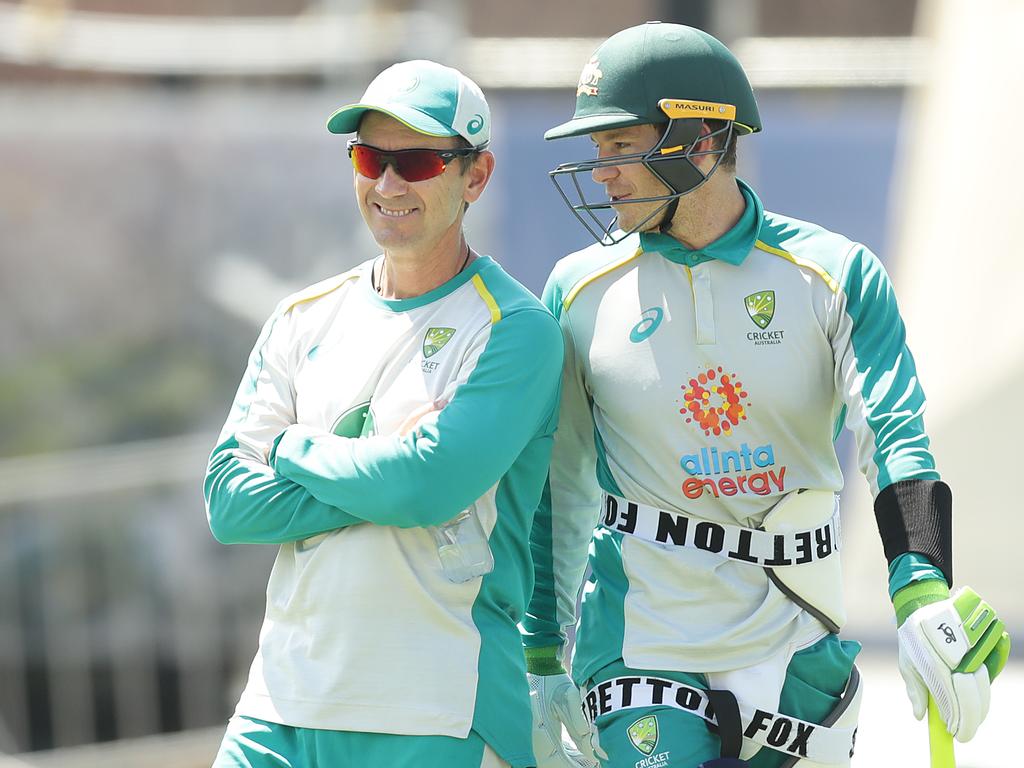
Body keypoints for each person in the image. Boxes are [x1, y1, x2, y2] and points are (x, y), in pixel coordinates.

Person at [522, 22, 1010, 768]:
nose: (603, 173)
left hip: (800, 646)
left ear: (702, 144)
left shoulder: (838, 274)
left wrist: (920, 586)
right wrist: (543, 650)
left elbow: (896, 437)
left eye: (622, 146)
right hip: (640, 643)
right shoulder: (575, 289)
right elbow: (560, 484)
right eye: (598, 152)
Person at [204, 59, 562, 768]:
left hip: (434, 707)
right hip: (278, 707)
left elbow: (427, 486)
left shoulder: (517, 329)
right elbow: (227, 504)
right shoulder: (301, 316)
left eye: (418, 160)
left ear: (476, 177)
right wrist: (388, 476)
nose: (388, 183)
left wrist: (293, 447)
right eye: (370, 157)